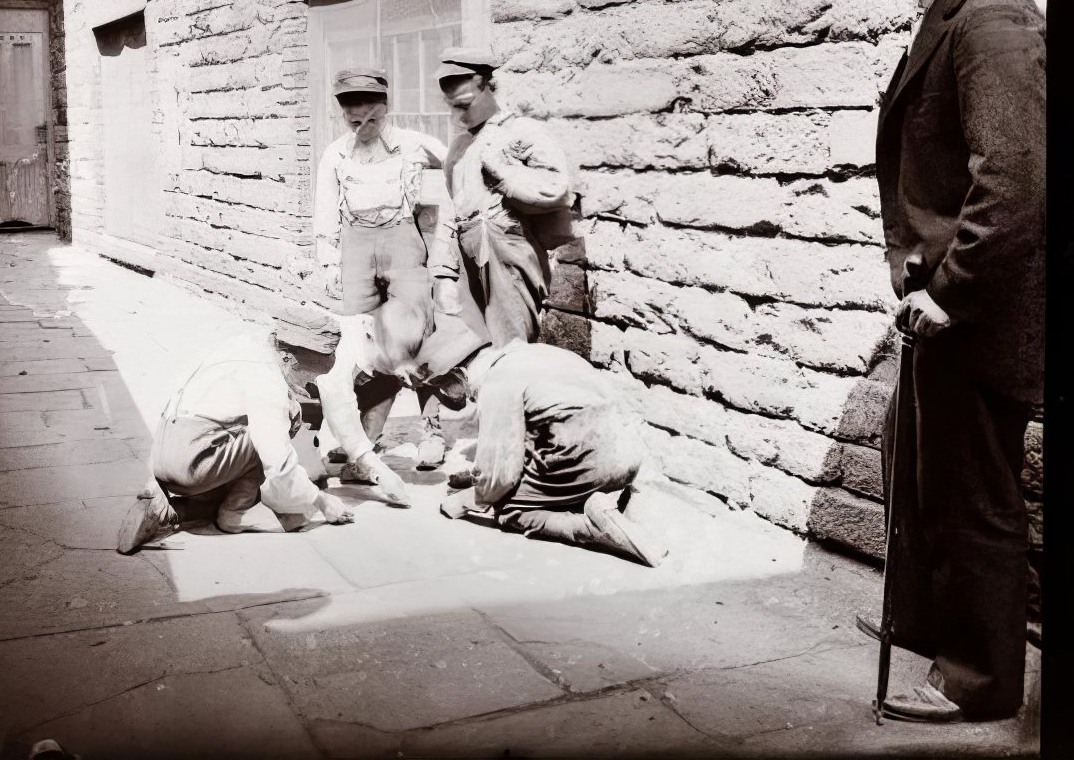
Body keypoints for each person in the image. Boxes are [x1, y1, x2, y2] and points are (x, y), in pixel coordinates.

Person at [816, 0, 1045, 723]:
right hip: (945, 306)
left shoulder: (991, 19)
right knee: (921, 470)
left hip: (975, 311)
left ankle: (979, 681)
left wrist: (948, 292)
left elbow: (1018, 179)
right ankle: (931, 632)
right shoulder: (957, 7)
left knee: (974, 494)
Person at [407, 314, 665, 567]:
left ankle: (592, 527)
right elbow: (532, 436)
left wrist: (463, 502)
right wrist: (479, 475)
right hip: (628, 455)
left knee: (508, 509)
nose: (443, 393)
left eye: (442, 385)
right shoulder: (535, 353)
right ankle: (609, 496)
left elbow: (502, 479)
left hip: (593, 463)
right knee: (533, 471)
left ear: (459, 373)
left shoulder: (496, 385)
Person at [312, 66, 451, 472]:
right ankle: (366, 438)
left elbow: (457, 162)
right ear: (343, 116)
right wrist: (327, 259)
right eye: (355, 121)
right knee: (363, 343)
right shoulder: (336, 153)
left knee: (414, 336)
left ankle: (431, 430)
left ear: (385, 110)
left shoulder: (411, 144)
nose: (364, 127)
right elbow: (325, 209)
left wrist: (452, 219)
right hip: (356, 246)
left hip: (402, 239)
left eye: (372, 119)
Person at [116, 331, 356, 554]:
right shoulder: (268, 381)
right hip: (193, 461)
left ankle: (166, 510)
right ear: (287, 358)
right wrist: (322, 501)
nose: (311, 385)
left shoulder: (244, 345)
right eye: (310, 375)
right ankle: (234, 513)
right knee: (282, 426)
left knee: (247, 431)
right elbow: (278, 463)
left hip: (163, 455)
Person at [429, 48, 575, 347]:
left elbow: (556, 187)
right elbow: (449, 209)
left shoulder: (521, 131)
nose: (459, 112)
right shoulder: (458, 147)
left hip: (507, 247)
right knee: (467, 350)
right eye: (453, 104)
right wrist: (443, 272)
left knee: (511, 346)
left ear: (485, 84)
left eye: (466, 101)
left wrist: (504, 174)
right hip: (464, 252)